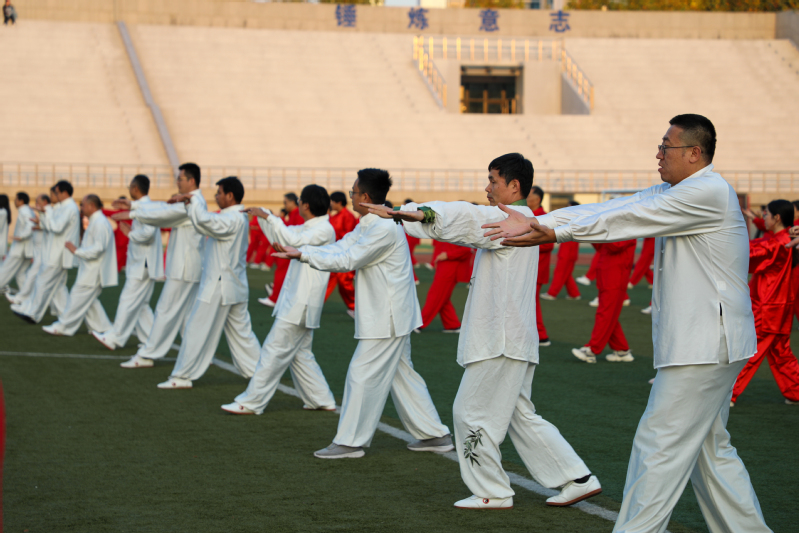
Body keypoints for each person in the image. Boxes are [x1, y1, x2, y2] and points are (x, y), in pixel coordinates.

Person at [485, 115, 771, 532]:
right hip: (705, 342)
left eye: (666, 146)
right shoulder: (682, 190)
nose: (658, 154)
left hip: (705, 344)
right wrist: (543, 223)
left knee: (658, 445)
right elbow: (617, 207)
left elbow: (632, 217)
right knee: (711, 455)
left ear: (695, 153)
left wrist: (554, 232)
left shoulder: (707, 191)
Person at [364, 154, 600, 510]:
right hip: (512, 338)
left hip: (500, 340)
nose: (487, 188)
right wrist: (414, 213)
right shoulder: (526, 220)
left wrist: (416, 213)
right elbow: (469, 217)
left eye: (493, 180)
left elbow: (466, 216)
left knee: (469, 413)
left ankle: (493, 491)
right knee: (520, 415)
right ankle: (577, 479)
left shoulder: (507, 220)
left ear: (514, 186)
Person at [273, 169, 452, 459]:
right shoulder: (370, 222)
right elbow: (343, 246)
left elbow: (348, 259)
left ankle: (350, 442)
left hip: (388, 317)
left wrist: (303, 255)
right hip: (389, 314)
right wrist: (302, 251)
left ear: (365, 196)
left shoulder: (383, 227)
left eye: (353, 192)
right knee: (402, 377)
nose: (351, 196)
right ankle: (435, 435)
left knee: (361, 374)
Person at [222, 185, 337, 415]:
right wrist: (264, 217)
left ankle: (252, 402)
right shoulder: (312, 227)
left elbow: (291, 237)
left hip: (301, 302)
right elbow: (284, 235)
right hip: (299, 301)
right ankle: (321, 399)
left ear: (305, 205)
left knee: (273, 351)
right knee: (301, 354)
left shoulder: (323, 230)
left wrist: (267, 217)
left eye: (300, 200)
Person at [156, 176, 261, 389]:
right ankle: (262, 373)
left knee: (196, 329)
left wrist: (193, 200)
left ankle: (182, 376)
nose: (216, 196)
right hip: (233, 286)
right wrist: (190, 203)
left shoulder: (232, 218)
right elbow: (203, 223)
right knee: (242, 336)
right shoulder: (236, 217)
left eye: (219, 193)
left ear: (230, 196)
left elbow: (203, 222)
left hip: (219, 286)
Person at [115, 163, 205, 369]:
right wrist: (134, 206)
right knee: (186, 317)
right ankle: (193, 356)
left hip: (183, 268)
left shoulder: (193, 202)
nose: (177, 182)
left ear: (191, 181)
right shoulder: (190, 201)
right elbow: (165, 209)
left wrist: (133, 212)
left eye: (180, 179)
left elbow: (164, 215)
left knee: (165, 311)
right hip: (186, 267)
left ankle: (148, 354)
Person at [731, 200, 799, 405]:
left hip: (768, 307)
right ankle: (796, 392)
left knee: (749, 351)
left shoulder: (781, 241)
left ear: (777, 218)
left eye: (767, 214)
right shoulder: (782, 237)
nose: (763, 217)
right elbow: (757, 246)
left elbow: (752, 253)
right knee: (781, 353)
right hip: (779, 306)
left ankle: (727, 393)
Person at [91, 175, 163, 350]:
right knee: (141, 305)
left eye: (130, 187)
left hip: (142, 264)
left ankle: (115, 338)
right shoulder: (146, 206)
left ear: (135, 188)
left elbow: (147, 234)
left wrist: (130, 233)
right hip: (142, 262)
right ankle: (151, 341)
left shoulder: (147, 207)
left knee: (127, 300)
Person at [42, 195, 117, 337]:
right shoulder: (96, 221)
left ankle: (64, 326)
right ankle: (102, 328)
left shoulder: (100, 223)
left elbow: (98, 248)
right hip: (90, 269)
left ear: (91, 206)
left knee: (76, 297)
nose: (81, 208)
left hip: (93, 271)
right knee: (89, 301)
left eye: (83, 205)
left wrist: (76, 251)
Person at [12, 181, 80, 324]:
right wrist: (43, 216)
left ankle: (33, 313)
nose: (54, 195)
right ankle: (66, 318)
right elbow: (50, 225)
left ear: (64, 193)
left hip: (57, 253)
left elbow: (56, 228)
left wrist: (46, 211)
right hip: (55, 251)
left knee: (42, 282)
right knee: (57, 288)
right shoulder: (64, 207)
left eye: (56, 192)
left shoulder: (69, 208)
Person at [571, 238, 636, 363]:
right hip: (607, 273)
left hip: (616, 275)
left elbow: (616, 246)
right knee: (609, 314)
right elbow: (600, 247)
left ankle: (592, 350)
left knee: (605, 313)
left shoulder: (627, 227)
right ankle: (622, 350)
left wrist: (604, 230)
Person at [415, 240, 472, 333]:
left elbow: (466, 249)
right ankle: (452, 325)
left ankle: (419, 324)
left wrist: (448, 255)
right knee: (443, 297)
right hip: (444, 266)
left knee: (435, 296)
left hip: (449, 268)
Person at [260, 193, 303, 307]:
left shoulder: (298, 214)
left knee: (281, 272)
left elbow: (294, 234)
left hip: (292, 249)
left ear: (293, 202)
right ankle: (279, 296)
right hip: (290, 248)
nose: (285, 205)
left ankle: (275, 298)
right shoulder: (293, 214)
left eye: (286, 202)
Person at [6, 194, 50, 306]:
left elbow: (49, 227)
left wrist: (21, 236)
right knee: (24, 274)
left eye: (38, 202)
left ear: (45, 202)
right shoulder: (41, 214)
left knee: (32, 275)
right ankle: (29, 299)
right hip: (37, 251)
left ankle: (22, 299)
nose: (36, 204)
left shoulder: (47, 213)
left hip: (43, 251)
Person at [323, 191, 357, 315]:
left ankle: (356, 308)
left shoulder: (348, 216)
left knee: (345, 284)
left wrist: (334, 236)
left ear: (339, 202)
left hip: (346, 256)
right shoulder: (334, 216)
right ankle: (314, 304)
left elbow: (348, 237)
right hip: (334, 255)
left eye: (332, 201)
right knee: (327, 281)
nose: (331, 204)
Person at [526, 186, 552, 346]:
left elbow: (548, 244)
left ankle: (541, 335)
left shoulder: (544, 217)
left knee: (531, 303)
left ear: (537, 199)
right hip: (528, 268)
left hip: (537, 268)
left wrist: (525, 242)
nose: (526, 198)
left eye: (529, 195)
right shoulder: (529, 215)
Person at [541, 200, 581, 300]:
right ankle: (574, 293)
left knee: (560, 273)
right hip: (570, 252)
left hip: (567, 253)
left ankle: (552, 293)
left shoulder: (572, 220)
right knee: (566, 274)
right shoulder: (577, 220)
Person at [0, 193, 33, 293]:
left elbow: (30, 225)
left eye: (16, 199)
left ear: (21, 201)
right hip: (24, 249)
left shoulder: (24, 211)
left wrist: (21, 236)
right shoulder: (26, 211)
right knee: (20, 274)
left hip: (19, 249)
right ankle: (27, 295)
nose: (15, 201)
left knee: (5, 269)